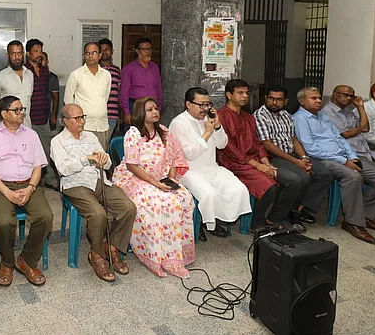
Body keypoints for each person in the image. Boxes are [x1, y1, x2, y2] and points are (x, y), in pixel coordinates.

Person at [293, 87, 375, 244]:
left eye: (319, 98)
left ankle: (365, 215)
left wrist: (352, 157)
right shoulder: (299, 119)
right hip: (323, 159)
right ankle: (353, 223)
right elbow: (311, 148)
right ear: (302, 101)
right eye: (314, 98)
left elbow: (340, 139)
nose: (318, 101)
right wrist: (344, 161)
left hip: (345, 156)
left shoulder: (323, 117)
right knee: (353, 177)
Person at [50, 103, 135, 283]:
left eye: (83, 117)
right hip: (75, 184)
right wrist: (85, 159)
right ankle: (97, 254)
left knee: (128, 207)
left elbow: (108, 164)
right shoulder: (58, 141)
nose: (81, 121)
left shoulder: (91, 137)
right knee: (98, 214)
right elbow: (63, 169)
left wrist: (104, 160)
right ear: (65, 121)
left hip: (98, 180)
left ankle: (111, 246)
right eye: (77, 118)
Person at [113, 97, 194, 278]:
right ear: (141, 113)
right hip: (134, 179)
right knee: (157, 202)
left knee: (184, 198)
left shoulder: (164, 132)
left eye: (156, 108)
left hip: (161, 177)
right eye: (150, 109)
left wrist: (171, 179)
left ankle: (175, 253)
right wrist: (155, 183)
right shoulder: (133, 133)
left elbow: (174, 157)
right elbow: (132, 166)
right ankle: (156, 254)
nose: (155, 112)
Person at [0, 96, 52, 287]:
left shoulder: (31, 135)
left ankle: (26, 260)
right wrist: (7, 193)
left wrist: (30, 188)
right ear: (4, 114)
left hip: (29, 184)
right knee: (4, 221)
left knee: (45, 216)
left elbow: (38, 166)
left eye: (22, 109)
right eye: (17, 110)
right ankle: (7, 262)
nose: (22, 113)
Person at [217, 79, 302, 229]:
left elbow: (257, 143)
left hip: (254, 160)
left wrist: (267, 164)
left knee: (287, 181)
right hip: (233, 163)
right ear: (229, 95)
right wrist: (258, 165)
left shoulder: (248, 117)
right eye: (240, 93)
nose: (245, 96)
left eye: (246, 93)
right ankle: (256, 223)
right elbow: (229, 147)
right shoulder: (221, 116)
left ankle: (273, 219)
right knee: (269, 186)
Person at [169, 88, 251, 238]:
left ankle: (213, 219)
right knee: (209, 193)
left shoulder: (208, 119)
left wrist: (217, 126)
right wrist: (207, 133)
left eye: (208, 104)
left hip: (211, 167)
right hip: (188, 170)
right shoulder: (178, 123)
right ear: (188, 104)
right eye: (201, 105)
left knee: (237, 189)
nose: (205, 109)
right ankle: (205, 223)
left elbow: (222, 144)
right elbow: (188, 154)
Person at [254, 86, 333, 225]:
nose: (274, 103)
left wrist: (304, 158)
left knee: (325, 174)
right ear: (266, 98)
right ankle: (274, 219)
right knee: (299, 179)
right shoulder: (260, 115)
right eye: (271, 99)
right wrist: (297, 163)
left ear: (285, 101)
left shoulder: (286, 115)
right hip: (273, 157)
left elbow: (293, 139)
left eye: (279, 100)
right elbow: (268, 145)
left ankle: (298, 209)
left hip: (292, 155)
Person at [63, 42, 112, 149]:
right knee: (83, 161)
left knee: (101, 161)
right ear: (84, 56)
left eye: (94, 52)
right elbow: (68, 102)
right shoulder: (76, 75)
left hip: (102, 126)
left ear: (100, 55)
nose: (90, 56)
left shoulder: (106, 75)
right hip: (83, 127)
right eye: (87, 53)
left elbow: (105, 98)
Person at [24, 39, 54, 170]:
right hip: (30, 119)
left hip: (44, 118)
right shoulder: (24, 71)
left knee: (47, 150)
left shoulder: (44, 71)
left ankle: (49, 180)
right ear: (28, 54)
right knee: (30, 152)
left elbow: (48, 94)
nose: (39, 54)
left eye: (40, 51)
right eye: (35, 51)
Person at [120, 37, 162, 125]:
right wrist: (127, 112)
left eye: (150, 49)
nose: (148, 52)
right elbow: (124, 92)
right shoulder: (129, 68)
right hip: (135, 106)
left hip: (152, 107)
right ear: (137, 51)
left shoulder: (155, 67)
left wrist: (159, 108)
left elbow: (158, 88)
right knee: (135, 135)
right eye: (145, 49)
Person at [0, 40, 33, 127]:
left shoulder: (30, 75)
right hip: (7, 129)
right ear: (8, 55)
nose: (17, 57)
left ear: (23, 54)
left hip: (26, 127)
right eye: (13, 54)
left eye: (19, 53)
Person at [41, 51, 61, 189]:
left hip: (47, 118)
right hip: (34, 119)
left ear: (47, 61)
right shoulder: (31, 75)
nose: (40, 61)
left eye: (42, 59)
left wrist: (53, 116)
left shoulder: (51, 77)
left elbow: (55, 98)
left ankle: (51, 179)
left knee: (48, 149)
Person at [98, 38, 122, 139]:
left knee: (107, 143)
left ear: (112, 51)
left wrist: (121, 113)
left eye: (107, 49)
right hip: (98, 114)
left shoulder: (117, 70)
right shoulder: (95, 69)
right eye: (102, 50)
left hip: (113, 114)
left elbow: (119, 91)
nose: (104, 52)